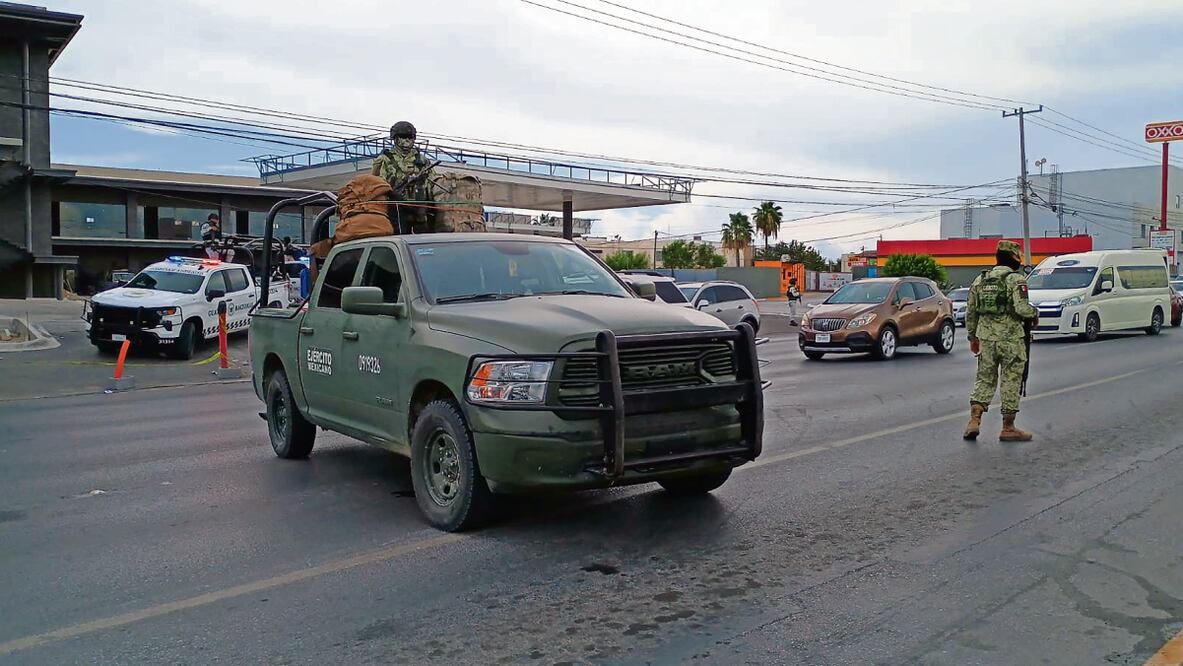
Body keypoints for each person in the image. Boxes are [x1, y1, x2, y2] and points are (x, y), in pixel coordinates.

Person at [963, 239, 1039, 441]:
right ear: (1014, 258)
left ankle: (974, 420)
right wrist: (1034, 313)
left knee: (984, 379)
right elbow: (1022, 309)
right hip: (1012, 340)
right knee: (1010, 381)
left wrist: (972, 337)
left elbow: (970, 312)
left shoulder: (980, 280)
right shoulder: (1016, 280)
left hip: (987, 339)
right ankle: (1008, 427)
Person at [371, 121, 435, 233]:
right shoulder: (385, 159)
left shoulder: (422, 160)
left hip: (419, 206)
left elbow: (433, 182)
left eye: (410, 137)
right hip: (396, 205)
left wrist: (422, 182)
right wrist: (393, 192)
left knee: (424, 238)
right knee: (399, 234)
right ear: (395, 139)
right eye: (403, 137)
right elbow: (376, 184)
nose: (407, 141)